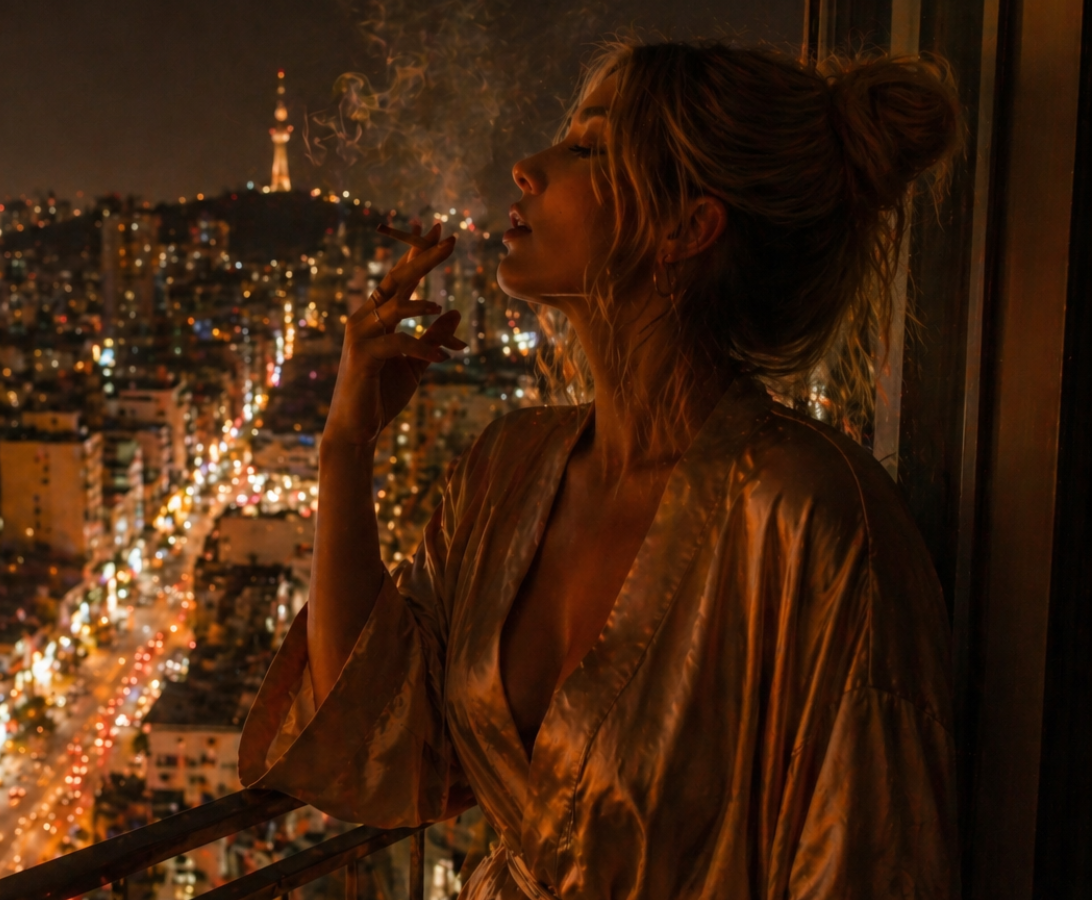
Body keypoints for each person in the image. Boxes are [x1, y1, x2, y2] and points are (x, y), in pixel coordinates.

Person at [239, 41, 962, 898]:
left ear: (686, 226)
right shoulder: (509, 466)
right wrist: (344, 450)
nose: (526, 167)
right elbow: (380, 749)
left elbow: (870, 869)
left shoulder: (816, 521)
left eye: (587, 148)